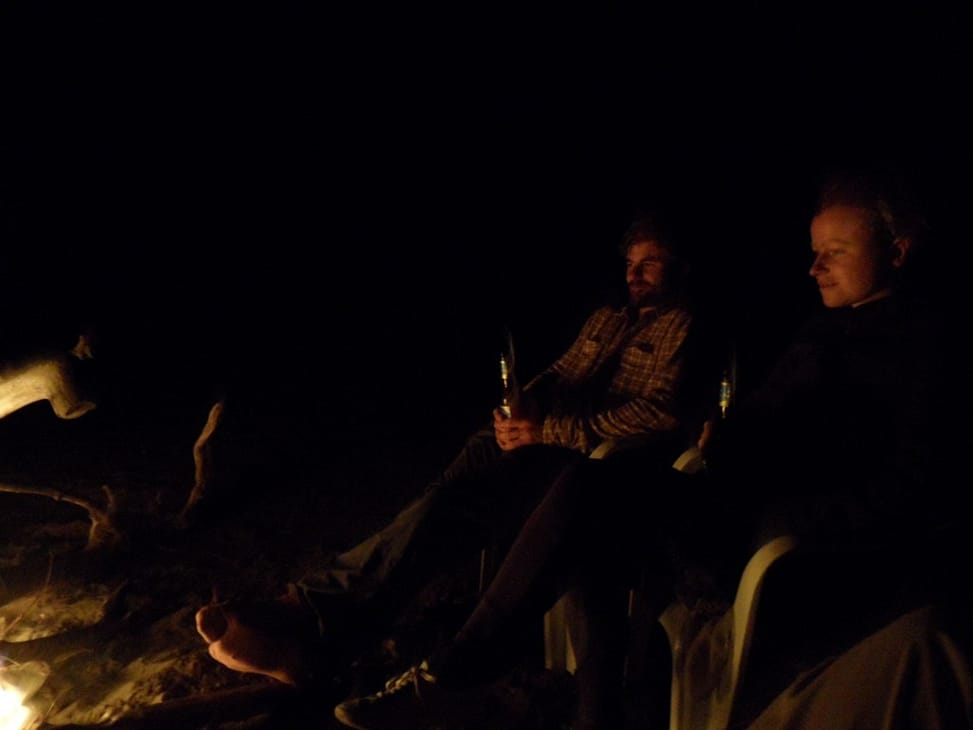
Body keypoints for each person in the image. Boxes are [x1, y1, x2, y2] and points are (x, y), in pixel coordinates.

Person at [330, 166, 967, 730]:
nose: (813, 267)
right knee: (588, 499)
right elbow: (765, 422)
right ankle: (565, 705)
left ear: (898, 251)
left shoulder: (925, 353)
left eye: (833, 252)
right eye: (813, 252)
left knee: (592, 498)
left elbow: (908, 487)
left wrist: (784, 519)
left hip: (781, 547)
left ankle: (460, 672)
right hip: (725, 502)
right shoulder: (823, 329)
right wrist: (727, 439)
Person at [195, 212, 712, 696]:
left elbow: (661, 414)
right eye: (630, 263)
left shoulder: (685, 327)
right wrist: (520, 407)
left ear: (682, 267)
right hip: (537, 437)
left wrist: (546, 430)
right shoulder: (607, 318)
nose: (633, 274)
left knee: (442, 512)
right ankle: (320, 639)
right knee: (434, 506)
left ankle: (306, 614)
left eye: (649, 263)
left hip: (583, 458)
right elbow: (559, 373)